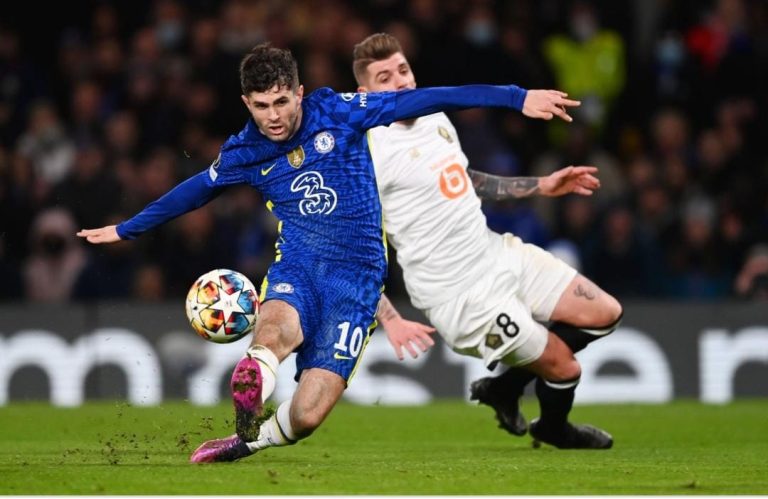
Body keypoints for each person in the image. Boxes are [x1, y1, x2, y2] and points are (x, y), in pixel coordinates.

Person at [77, 42, 580, 462]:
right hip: (299, 263)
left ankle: (249, 439)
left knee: (308, 415)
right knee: (276, 331)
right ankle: (256, 373)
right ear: (246, 103)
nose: (274, 117)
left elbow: (428, 98)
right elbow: (195, 190)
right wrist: (128, 229)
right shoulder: (245, 151)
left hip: (357, 280)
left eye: (281, 102)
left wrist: (516, 97)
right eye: (261, 106)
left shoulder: (338, 112)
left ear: (299, 92)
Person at [353, 33, 623, 449]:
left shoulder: (434, 118)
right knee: (566, 369)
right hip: (460, 297)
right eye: (384, 78)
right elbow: (351, 247)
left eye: (402, 70)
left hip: (495, 253)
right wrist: (388, 317)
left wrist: (540, 185)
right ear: (363, 94)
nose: (400, 82)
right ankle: (554, 428)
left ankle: (505, 388)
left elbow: (462, 179)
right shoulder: (365, 154)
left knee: (605, 313)